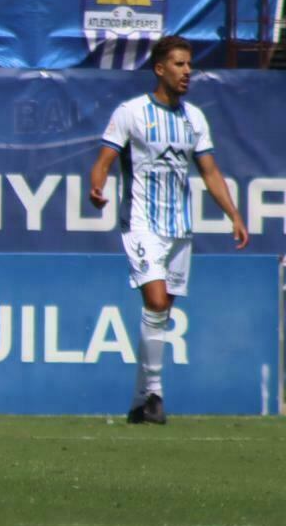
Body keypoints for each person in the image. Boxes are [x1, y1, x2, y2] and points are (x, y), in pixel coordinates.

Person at [88, 35, 248, 425]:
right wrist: (97, 187)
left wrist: (234, 214)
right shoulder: (131, 112)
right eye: (179, 64)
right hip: (142, 223)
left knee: (159, 315)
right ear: (160, 69)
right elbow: (104, 160)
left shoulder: (194, 118)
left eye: (189, 64)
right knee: (157, 304)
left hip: (180, 228)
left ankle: (139, 403)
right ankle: (156, 393)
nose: (187, 71)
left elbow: (210, 172)